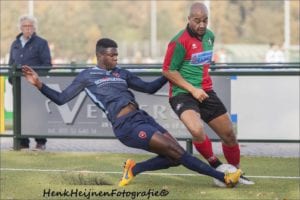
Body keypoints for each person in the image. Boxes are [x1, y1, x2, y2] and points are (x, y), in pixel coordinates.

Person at [22, 38, 242, 187]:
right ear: (100, 56)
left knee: (174, 158)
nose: (116, 58)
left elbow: (149, 88)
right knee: (178, 153)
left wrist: (170, 72)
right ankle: (223, 176)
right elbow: (61, 99)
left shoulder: (121, 73)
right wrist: (39, 84)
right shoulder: (86, 76)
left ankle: (134, 169)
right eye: (112, 55)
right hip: (125, 126)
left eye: (117, 55)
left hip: (142, 118)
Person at [162, 2, 254, 185]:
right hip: (182, 93)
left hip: (206, 91)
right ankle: (217, 165)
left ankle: (235, 171)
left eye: (205, 20)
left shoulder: (210, 37)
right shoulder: (178, 41)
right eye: (197, 21)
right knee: (196, 129)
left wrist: (202, 87)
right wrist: (193, 89)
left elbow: (201, 64)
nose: (202, 25)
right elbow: (168, 70)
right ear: (189, 19)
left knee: (229, 134)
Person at [8, 15, 52, 150]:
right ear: (20, 28)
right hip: (19, 86)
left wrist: (36, 79)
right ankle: (22, 143)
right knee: (20, 114)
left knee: (37, 114)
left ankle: (40, 142)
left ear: (34, 28)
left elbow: (47, 65)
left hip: (34, 86)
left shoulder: (41, 43)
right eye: (25, 26)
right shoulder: (15, 44)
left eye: (30, 26)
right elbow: (11, 64)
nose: (27, 29)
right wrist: (12, 79)